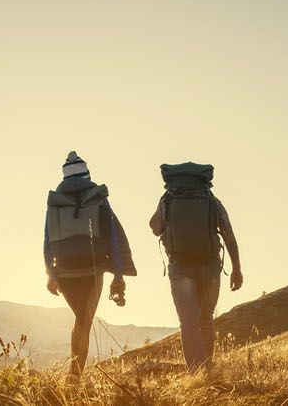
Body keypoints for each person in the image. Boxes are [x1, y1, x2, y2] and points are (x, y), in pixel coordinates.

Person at [42, 151, 135, 380]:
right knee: (83, 320)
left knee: (81, 320)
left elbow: (47, 239)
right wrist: (119, 273)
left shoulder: (55, 202)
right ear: (87, 175)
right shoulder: (98, 198)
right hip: (92, 270)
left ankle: (74, 375)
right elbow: (112, 235)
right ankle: (74, 378)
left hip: (64, 272)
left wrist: (50, 273)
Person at [148, 162, 240, 373]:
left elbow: (155, 228)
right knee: (206, 318)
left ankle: (195, 372)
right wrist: (236, 269)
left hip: (180, 268)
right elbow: (229, 236)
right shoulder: (211, 200)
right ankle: (207, 368)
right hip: (209, 266)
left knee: (188, 322)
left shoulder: (168, 199)